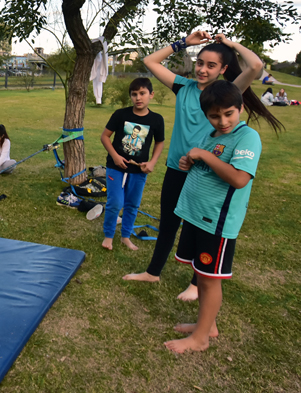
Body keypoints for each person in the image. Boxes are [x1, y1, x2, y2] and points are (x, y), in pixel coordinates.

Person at [123, 32, 282, 301]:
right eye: (200, 63)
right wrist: (183, 43)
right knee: (169, 222)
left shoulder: (226, 94)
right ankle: (153, 272)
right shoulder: (183, 87)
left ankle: (197, 284)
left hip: (205, 173)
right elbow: (151, 61)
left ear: (223, 69)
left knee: (199, 227)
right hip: (177, 167)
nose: (203, 69)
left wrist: (232, 45)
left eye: (211, 65)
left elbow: (255, 67)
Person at [164, 80, 262, 353]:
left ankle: (201, 338)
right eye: (214, 116)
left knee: (209, 279)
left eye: (228, 113)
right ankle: (208, 326)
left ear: (240, 108)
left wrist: (205, 156)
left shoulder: (247, 137)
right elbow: (202, 163)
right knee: (201, 273)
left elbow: (240, 178)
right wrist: (189, 161)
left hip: (216, 223)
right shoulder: (211, 135)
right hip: (197, 216)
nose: (222, 121)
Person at [100, 78, 165, 251]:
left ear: (151, 95)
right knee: (115, 202)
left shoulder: (156, 119)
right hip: (116, 167)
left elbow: (160, 142)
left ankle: (126, 236)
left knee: (132, 204)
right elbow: (105, 136)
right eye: (134, 94)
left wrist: (152, 162)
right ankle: (108, 236)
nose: (138, 98)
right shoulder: (121, 114)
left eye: (142, 93)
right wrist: (114, 156)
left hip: (139, 170)